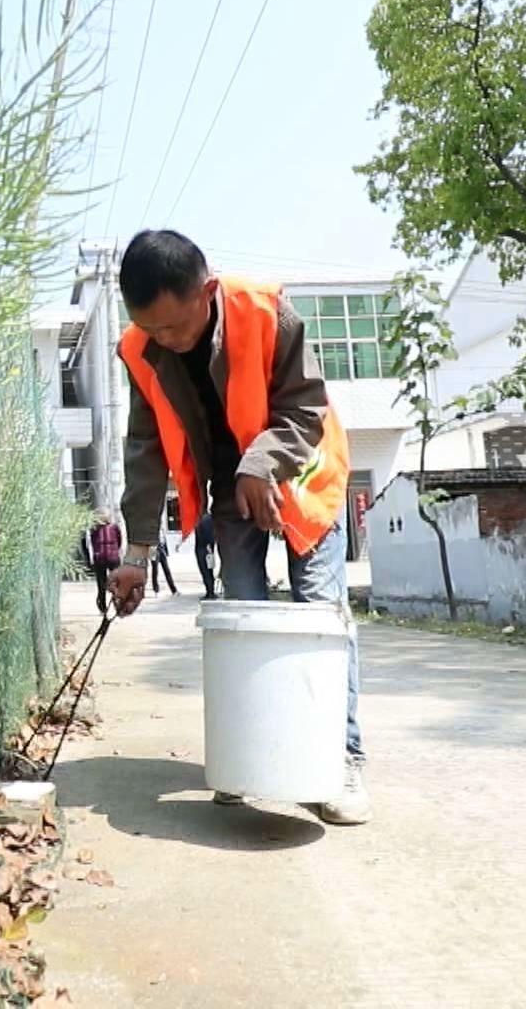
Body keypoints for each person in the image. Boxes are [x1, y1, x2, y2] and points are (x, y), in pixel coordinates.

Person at [106, 229, 369, 826]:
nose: (168, 341)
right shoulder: (139, 349)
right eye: (154, 330)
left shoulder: (265, 309)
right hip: (228, 489)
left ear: (207, 290)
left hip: (303, 475)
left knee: (319, 614)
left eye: (177, 326)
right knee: (242, 616)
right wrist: (136, 552)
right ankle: (253, 758)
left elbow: (306, 406)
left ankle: (341, 758)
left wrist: (261, 465)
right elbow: (144, 449)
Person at [83, 509, 123, 616]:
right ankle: (110, 606)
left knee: (107, 584)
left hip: (105, 558)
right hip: (107, 558)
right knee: (109, 584)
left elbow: (119, 540)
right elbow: (119, 541)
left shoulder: (100, 528)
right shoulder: (108, 528)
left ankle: (108, 607)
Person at [150, 506, 179, 596]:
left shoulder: (161, 525)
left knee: (166, 569)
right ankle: (156, 590)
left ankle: (173, 590)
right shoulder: (151, 525)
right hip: (154, 547)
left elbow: (163, 538)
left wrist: (165, 548)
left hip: (161, 547)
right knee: (155, 570)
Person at [193, 512, 218, 600]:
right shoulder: (207, 518)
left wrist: (208, 547)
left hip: (203, 549)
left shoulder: (203, 519)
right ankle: (210, 591)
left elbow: (207, 535)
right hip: (207, 549)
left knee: (206, 571)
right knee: (209, 571)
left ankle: (210, 592)